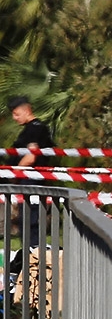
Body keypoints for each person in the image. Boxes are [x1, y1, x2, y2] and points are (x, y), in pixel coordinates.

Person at [7, 96, 54, 269]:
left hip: (30, 179)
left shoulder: (35, 129)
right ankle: (29, 256)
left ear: (26, 110)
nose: (14, 118)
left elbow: (31, 155)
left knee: (31, 220)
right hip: (27, 179)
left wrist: (16, 172)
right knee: (25, 221)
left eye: (16, 114)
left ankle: (34, 258)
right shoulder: (30, 129)